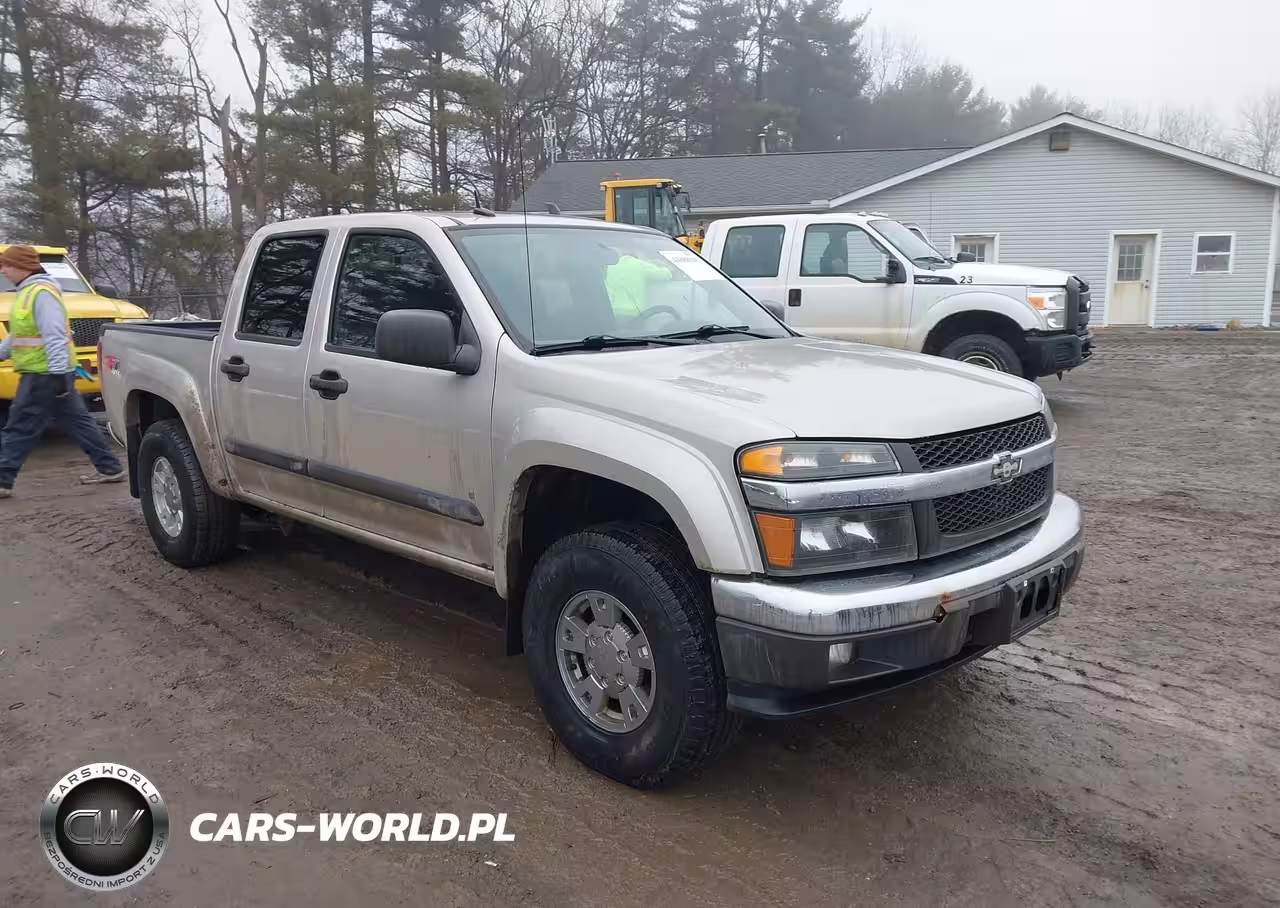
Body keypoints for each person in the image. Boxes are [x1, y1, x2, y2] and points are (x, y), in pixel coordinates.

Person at [0, 245, 125, 498]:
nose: (3, 270)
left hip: (44, 373)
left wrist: (57, 375)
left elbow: (55, 335)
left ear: (22, 266)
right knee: (78, 422)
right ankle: (110, 468)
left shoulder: (41, 292)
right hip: (51, 372)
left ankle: (2, 480)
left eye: (6, 265)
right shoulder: (28, 292)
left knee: (20, 426)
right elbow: (19, 335)